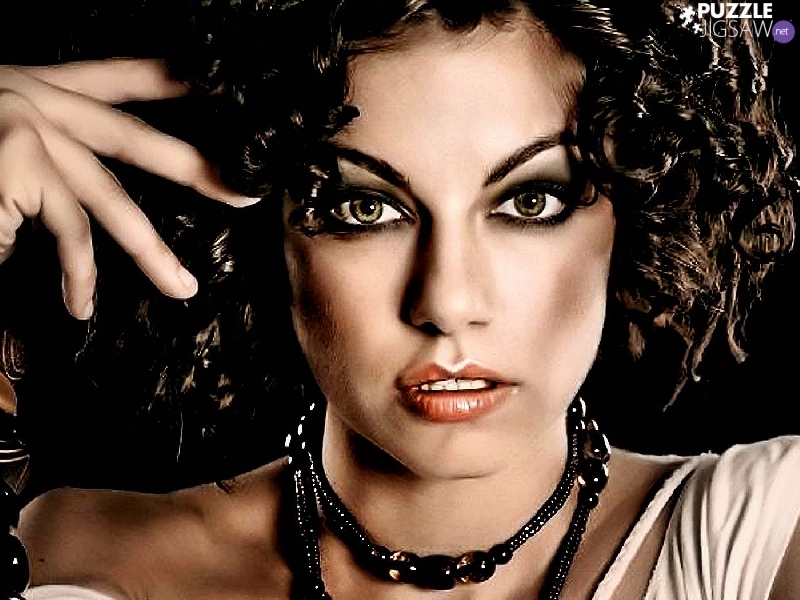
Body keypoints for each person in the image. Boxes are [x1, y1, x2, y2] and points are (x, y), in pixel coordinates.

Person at [0, 0, 798, 598]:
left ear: (640, 207)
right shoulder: (79, 556)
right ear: (268, 235)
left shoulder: (763, 534)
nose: (446, 302)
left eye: (530, 202)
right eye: (363, 208)